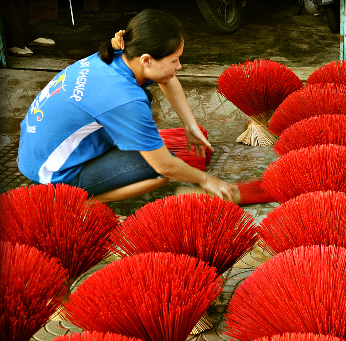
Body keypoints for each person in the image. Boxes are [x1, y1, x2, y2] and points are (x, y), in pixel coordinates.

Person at [16, 9, 237, 203]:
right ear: (147, 60)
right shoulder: (126, 99)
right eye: (174, 60)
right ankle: (79, 204)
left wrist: (190, 125)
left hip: (31, 152)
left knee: (145, 132)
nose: (179, 66)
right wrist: (207, 180)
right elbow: (165, 166)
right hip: (51, 171)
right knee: (160, 170)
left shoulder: (119, 54)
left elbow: (165, 77)